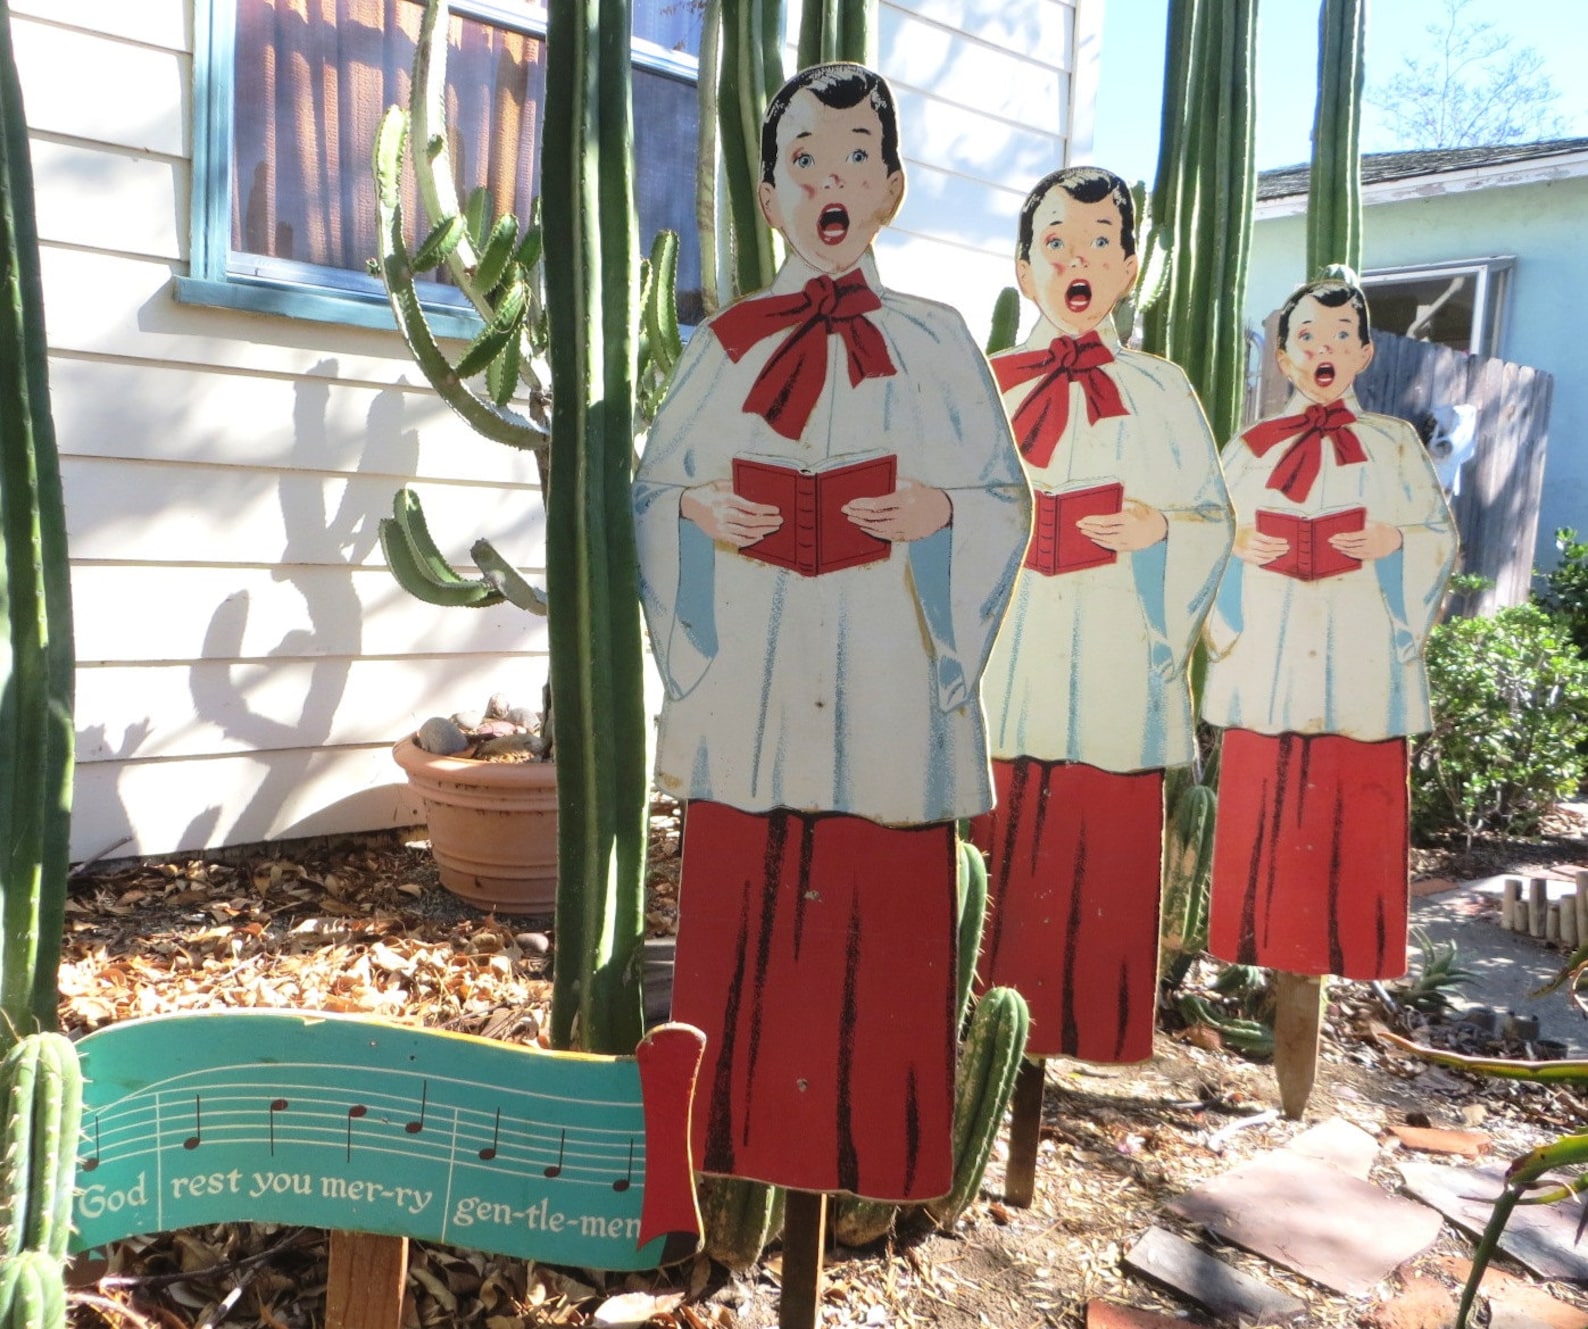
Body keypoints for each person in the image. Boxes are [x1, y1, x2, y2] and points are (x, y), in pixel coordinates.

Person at [632, 63, 1029, 1202]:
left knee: (876, 925)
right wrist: (701, 512)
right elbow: (655, 498)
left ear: (893, 186)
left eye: (854, 157)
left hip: (890, 681)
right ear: (769, 196)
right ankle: (720, 1162)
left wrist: (939, 510)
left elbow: (1005, 502)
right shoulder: (723, 348)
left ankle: (871, 1160)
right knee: (742, 917)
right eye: (803, 159)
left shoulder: (944, 342)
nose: (829, 181)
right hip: (754, 679)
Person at [972, 166, 1232, 1065]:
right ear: (1022, 268)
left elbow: (1212, 520)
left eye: (1098, 244)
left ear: (1130, 268)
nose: (1076, 261)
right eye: (1055, 243)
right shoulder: (987, 385)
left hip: (1117, 647)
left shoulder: (1162, 393)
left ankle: (1075, 1032)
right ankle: (977, 1035)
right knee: (992, 840)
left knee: (1092, 845)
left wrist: (1158, 525)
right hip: (1010, 647)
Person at [1200, 274, 1456, 979]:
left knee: (1353, 821)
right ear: (1283, 357)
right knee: (1267, 822)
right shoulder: (1248, 449)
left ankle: (1346, 958)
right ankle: (1255, 958)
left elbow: (1436, 537)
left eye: (1343, 336)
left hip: (1360, 666)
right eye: (1308, 336)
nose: (1326, 349)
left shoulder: (1397, 443)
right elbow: (1203, 535)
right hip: (1271, 666)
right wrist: (1238, 545)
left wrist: (1393, 543)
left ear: (1366, 354)